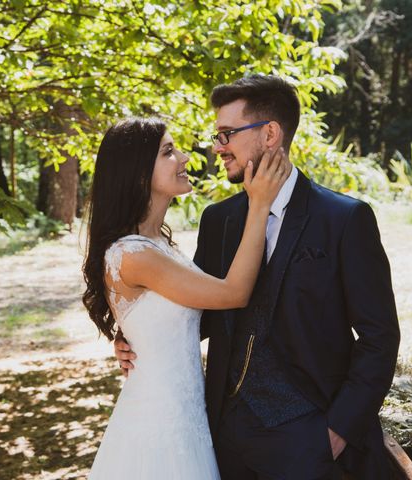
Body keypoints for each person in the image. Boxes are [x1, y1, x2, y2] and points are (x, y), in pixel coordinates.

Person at [115, 75, 400, 479]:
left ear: (270, 134)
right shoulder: (219, 220)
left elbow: (380, 337)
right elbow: (200, 311)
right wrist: (133, 336)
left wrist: (338, 431)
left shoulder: (344, 219)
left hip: (312, 435)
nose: (218, 147)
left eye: (227, 134)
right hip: (226, 434)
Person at [82, 116, 291, 479]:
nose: (183, 158)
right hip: (159, 424)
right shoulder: (134, 255)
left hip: (187, 416)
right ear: (137, 174)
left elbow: (168, 315)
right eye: (168, 152)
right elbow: (234, 293)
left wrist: (134, 334)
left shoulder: (159, 244)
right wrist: (259, 205)